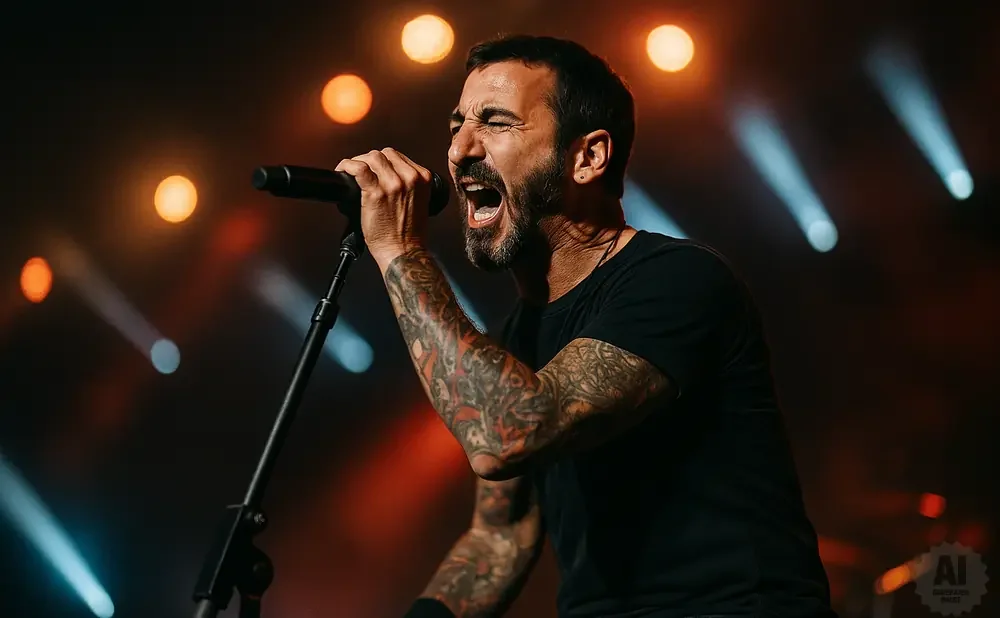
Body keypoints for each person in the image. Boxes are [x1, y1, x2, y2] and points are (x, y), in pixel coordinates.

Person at [334, 34, 836, 618]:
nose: (460, 149)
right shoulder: (517, 335)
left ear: (588, 157)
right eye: (456, 125)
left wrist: (400, 250)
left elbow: (508, 435)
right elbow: (501, 536)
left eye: (494, 122)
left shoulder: (677, 280)